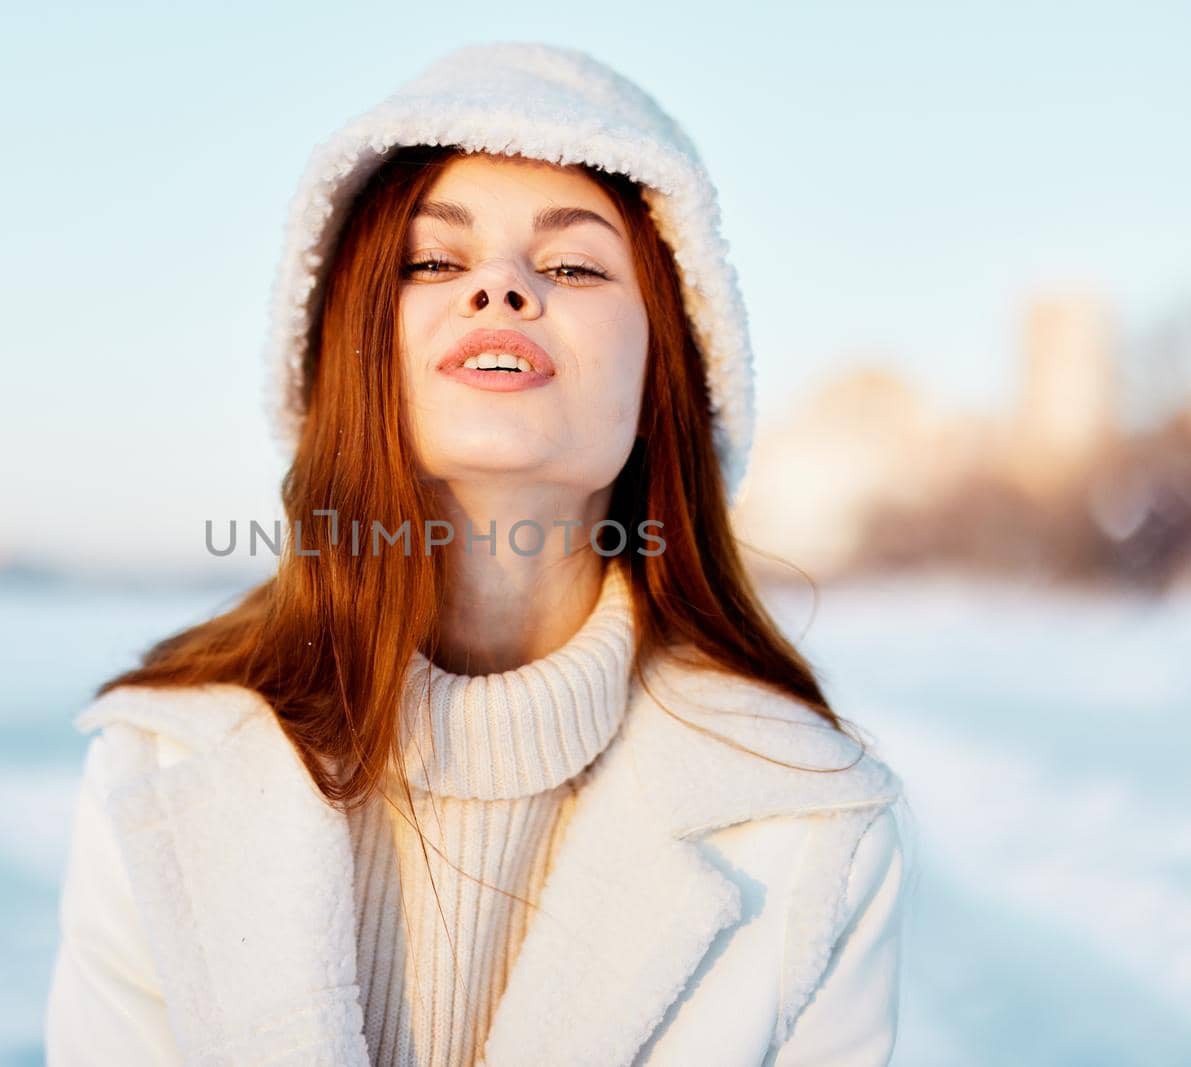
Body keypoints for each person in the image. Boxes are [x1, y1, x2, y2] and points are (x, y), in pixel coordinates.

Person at [44, 41, 910, 1067]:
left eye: (573, 264)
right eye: (434, 260)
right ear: (351, 349)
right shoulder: (159, 762)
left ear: (667, 368)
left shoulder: (813, 816)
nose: (499, 287)